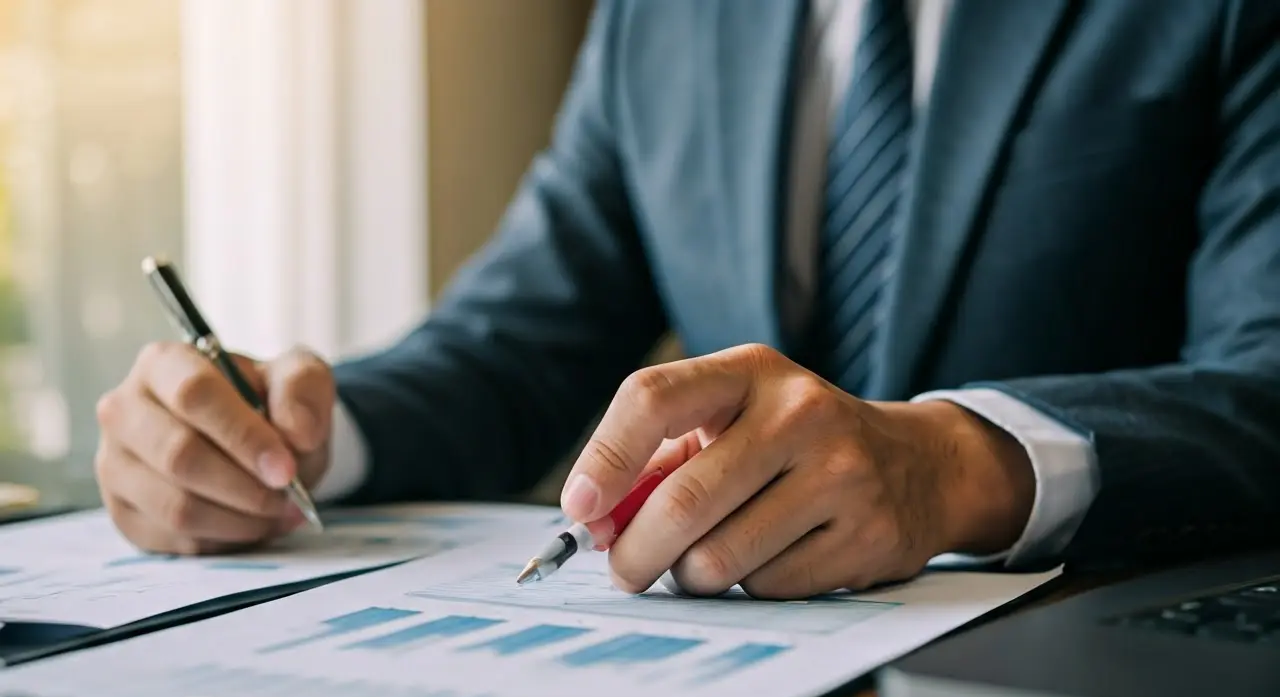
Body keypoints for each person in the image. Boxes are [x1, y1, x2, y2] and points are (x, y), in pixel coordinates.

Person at [94, 0, 1280, 598]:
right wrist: (287, 434)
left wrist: (954, 461)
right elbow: (518, 339)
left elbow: (1263, 375)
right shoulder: (660, 19)